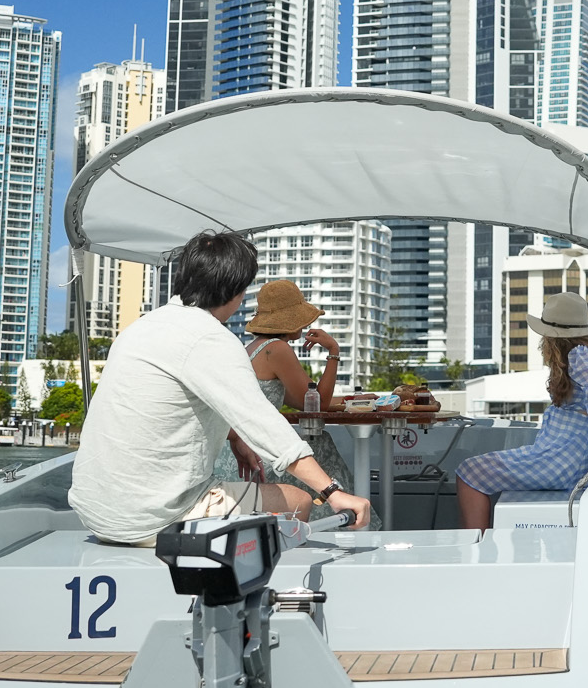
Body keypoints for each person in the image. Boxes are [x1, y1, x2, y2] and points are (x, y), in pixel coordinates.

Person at [69, 230, 372, 545]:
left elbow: (168, 408)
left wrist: (235, 436)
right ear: (235, 291)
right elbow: (265, 424)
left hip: (96, 511)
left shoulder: (139, 329)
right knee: (299, 500)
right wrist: (332, 491)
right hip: (153, 517)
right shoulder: (210, 338)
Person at [455, 292, 588, 530]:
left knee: (469, 472)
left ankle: (476, 543)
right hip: (570, 460)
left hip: (558, 459)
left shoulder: (581, 355)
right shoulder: (587, 354)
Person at [243, 278, 354, 500]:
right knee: (322, 445)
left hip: (246, 449)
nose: (304, 325)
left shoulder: (253, 348)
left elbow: (302, 401)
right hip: (261, 455)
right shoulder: (277, 349)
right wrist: (333, 351)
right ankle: (344, 514)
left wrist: (351, 402)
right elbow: (318, 405)